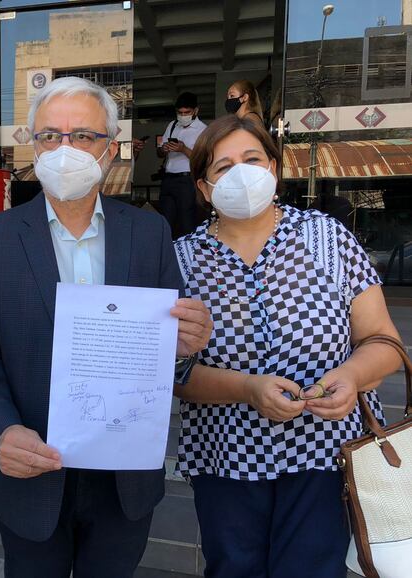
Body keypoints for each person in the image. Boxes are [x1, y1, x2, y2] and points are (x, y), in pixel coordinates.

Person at [0, 76, 213, 578]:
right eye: (51, 135)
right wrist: (2, 433)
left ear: (109, 150)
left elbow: (170, 349)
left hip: (123, 479)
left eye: (83, 136)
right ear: (33, 144)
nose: (64, 148)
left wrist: (186, 346)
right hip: (31, 470)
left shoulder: (149, 232)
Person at [172, 114, 401, 578]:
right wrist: (248, 389)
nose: (241, 172)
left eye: (252, 159)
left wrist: (352, 376)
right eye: (223, 166)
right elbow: (173, 374)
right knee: (233, 569)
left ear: (274, 169)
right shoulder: (181, 259)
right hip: (226, 457)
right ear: (203, 187)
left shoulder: (328, 239)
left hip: (326, 456)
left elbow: (385, 342)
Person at [156, 91, 207, 239]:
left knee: (186, 221)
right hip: (168, 179)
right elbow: (159, 153)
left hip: (187, 181)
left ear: (196, 111)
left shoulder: (203, 130)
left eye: (187, 112)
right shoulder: (172, 125)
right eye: (180, 112)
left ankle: (188, 255)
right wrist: (163, 149)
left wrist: (183, 149)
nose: (183, 115)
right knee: (165, 221)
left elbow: (203, 159)